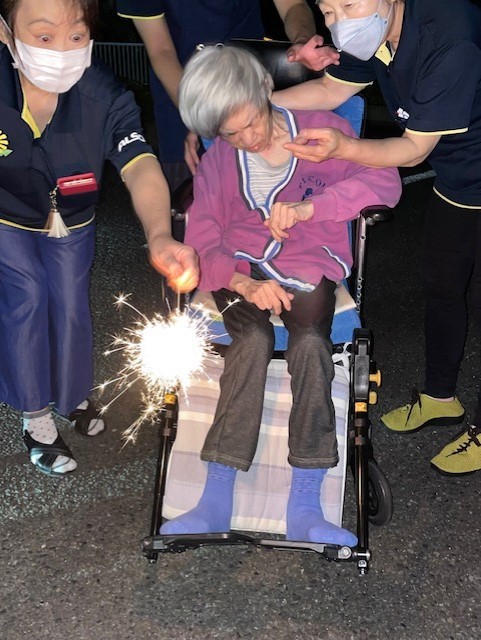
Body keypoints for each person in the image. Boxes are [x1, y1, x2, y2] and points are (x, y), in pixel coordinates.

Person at [158, 45, 401, 544]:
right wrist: (243, 282)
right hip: (238, 269)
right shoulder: (219, 161)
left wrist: (314, 208)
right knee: (250, 342)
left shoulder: (322, 131)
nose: (247, 138)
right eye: (230, 133)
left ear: (265, 91)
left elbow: (385, 181)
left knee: (311, 343)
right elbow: (204, 239)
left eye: (251, 122)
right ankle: (215, 499)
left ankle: (306, 505)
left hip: (309, 260)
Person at [273, 0, 481, 476]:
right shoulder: (377, 29)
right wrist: (255, 105)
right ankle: (440, 397)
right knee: (442, 285)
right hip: (458, 177)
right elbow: (330, 89)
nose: (339, 21)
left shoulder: (449, 36)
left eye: (349, 4)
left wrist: (344, 148)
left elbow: (412, 150)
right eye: (328, 10)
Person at [0, 0, 198, 477]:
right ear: (6, 31)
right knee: (26, 298)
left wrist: (159, 235)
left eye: (77, 35)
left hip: (73, 217)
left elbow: (140, 163)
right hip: (5, 217)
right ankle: (35, 415)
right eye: (43, 37)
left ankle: (70, 398)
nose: (62, 51)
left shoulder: (102, 93)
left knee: (71, 303)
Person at [116, 0, 339, 190]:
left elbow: (293, 5)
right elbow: (161, 51)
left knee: (281, 200)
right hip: (184, 98)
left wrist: (301, 40)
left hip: (254, 99)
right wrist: (198, 116)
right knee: (192, 204)